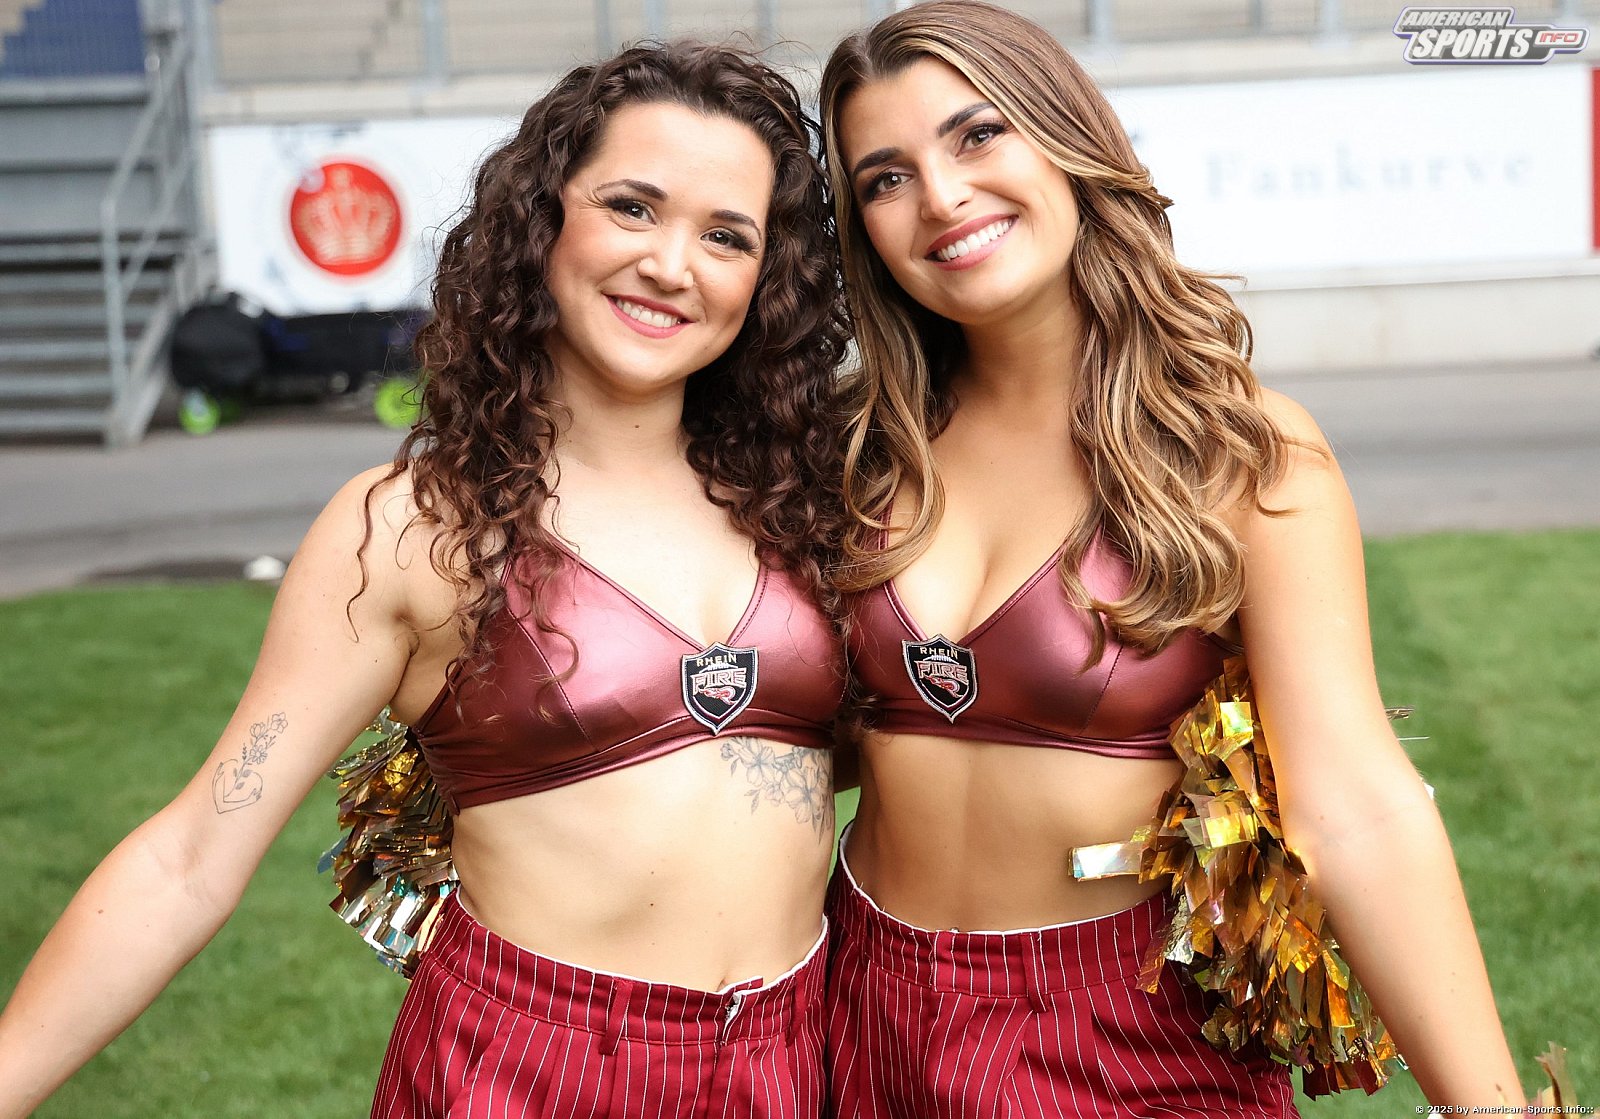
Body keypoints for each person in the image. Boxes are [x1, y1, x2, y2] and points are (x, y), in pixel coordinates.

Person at [0, 41, 850, 1119]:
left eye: (727, 235)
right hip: (528, 1076)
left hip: (794, 1067)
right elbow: (192, 855)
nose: (672, 264)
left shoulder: (805, 504)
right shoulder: (417, 527)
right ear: (544, 220)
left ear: (768, 278)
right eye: (632, 207)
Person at [816, 3, 1525, 1116]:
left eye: (978, 134)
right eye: (886, 178)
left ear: (1067, 140)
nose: (941, 196)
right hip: (856, 1007)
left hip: (1121, 1028)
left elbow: (1354, 803)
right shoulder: (857, 453)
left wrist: (1492, 1110)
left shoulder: (1237, 450)